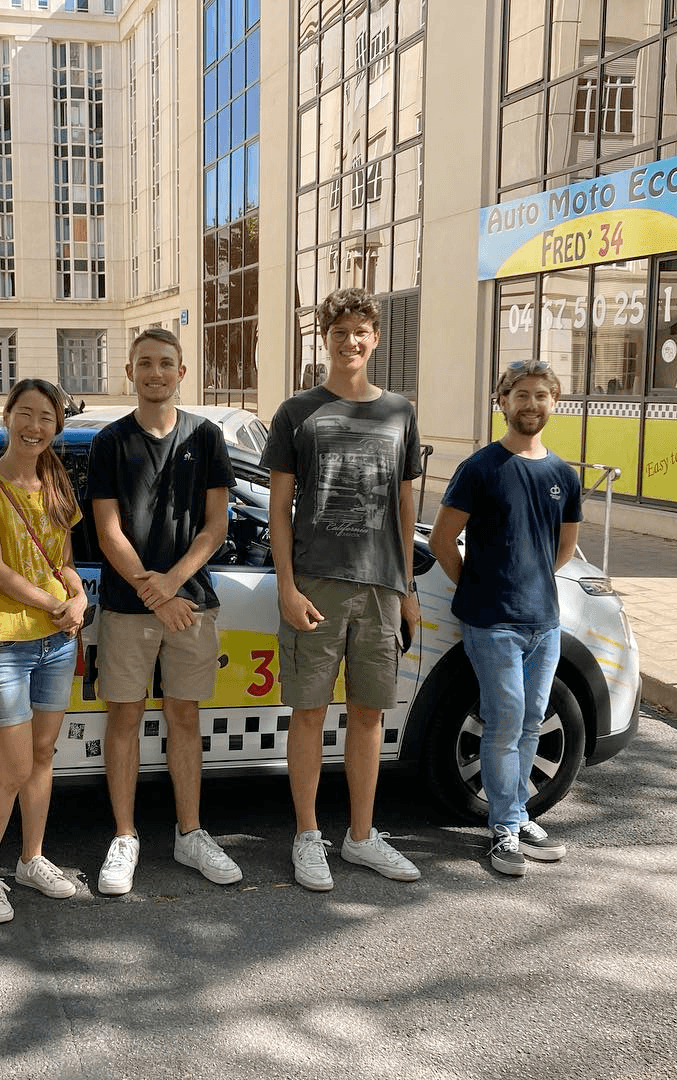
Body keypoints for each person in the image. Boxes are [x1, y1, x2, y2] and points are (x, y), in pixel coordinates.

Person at [262, 287, 423, 892]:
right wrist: (286, 585)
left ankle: (360, 835)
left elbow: (405, 505)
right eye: (338, 332)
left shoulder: (400, 412)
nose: (349, 341)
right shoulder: (296, 412)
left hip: (380, 588)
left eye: (360, 331)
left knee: (368, 713)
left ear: (374, 338)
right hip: (316, 585)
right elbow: (278, 510)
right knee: (308, 713)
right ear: (324, 339)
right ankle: (307, 836)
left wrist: (406, 587)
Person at [87, 327, 242, 895]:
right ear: (130, 372)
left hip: (190, 605)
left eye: (166, 363)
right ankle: (125, 836)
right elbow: (108, 532)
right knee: (124, 719)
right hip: (128, 606)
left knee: (184, 718)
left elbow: (216, 526)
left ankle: (190, 833)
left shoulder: (207, 436)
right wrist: (157, 595)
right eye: (145, 363)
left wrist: (173, 585)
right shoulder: (109, 442)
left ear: (182, 371)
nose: (156, 372)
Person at [429, 357, 581, 877]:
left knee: (532, 721)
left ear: (553, 403)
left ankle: (517, 815)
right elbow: (442, 540)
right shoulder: (481, 468)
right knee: (505, 721)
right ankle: (503, 830)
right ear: (503, 402)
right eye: (521, 395)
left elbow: (563, 549)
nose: (531, 404)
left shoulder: (563, 475)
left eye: (541, 395)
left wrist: (529, 582)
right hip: (491, 622)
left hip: (545, 622)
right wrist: (478, 585)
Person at [0, 379, 88, 923]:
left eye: (46, 418)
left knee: (42, 756)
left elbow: (64, 562)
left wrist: (78, 595)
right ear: (7, 415)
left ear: (57, 426)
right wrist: (55, 603)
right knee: (11, 767)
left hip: (57, 641)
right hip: (8, 642)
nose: (35, 427)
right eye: (26, 414)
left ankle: (32, 858)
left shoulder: (56, 482)